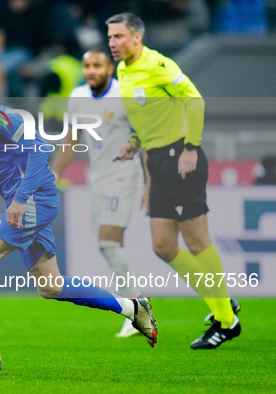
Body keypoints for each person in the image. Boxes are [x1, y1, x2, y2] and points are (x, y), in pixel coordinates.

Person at [0, 50, 157, 375]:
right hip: (23, 203)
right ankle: (132, 307)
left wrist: (20, 200)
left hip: (36, 199)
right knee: (51, 287)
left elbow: (38, 151)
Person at [107, 12, 241, 349]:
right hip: (157, 161)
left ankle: (226, 320)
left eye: (119, 37)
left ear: (138, 36)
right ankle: (221, 302)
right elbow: (144, 117)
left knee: (197, 240)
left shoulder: (159, 65)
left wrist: (191, 147)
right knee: (163, 246)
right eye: (110, 37)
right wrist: (135, 143)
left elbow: (194, 100)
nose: (113, 43)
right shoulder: (123, 71)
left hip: (181, 158)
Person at [50, 48, 144, 338]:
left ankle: (136, 311)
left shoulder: (125, 94)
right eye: (87, 65)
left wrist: (152, 184)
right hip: (98, 178)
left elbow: (144, 136)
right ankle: (135, 308)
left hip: (124, 175)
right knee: (109, 244)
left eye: (97, 65)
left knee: (108, 243)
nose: (91, 70)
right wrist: (53, 175)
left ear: (110, 69)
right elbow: (71, 139)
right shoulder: (78, 97)